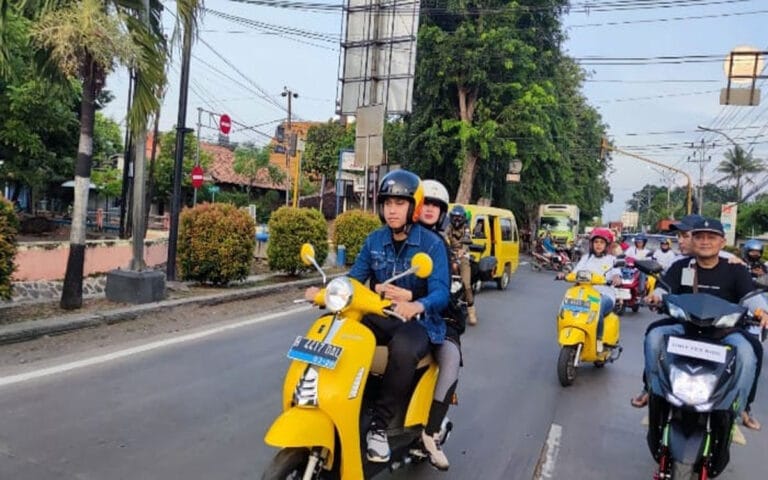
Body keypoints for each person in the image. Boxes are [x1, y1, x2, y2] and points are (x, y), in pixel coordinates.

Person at [305, 170, 450, 462]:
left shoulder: (432, 244)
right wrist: (327, 292)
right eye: (387, 203)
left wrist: (417, 305)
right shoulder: (374, 240)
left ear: (413, 207)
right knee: (333, 327)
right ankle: (325, 398)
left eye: (400, 203)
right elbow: (354, 279)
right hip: (380, 313)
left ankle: (379, 427)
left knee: (404, 348)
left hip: (417, 322)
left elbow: (441, 292)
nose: (392, 210)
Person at [637, 218, 768, 431]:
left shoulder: (736, 269)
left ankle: (742, 407)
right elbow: (664, 289)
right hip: (685, 327)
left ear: (722, 242)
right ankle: (652, 390)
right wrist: (655, 297)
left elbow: (750, 297)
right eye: (699, 237)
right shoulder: (681, 266)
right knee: (654, 335)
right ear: (693, 241)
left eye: (711, 237)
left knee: (750, 351)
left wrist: (762, 312)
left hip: (724, 331)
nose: (705, 242)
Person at [418, 178, 463, 470]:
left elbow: (442, 291)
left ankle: (431, 431)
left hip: (434, 315)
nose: (429, 209)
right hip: (391, 312)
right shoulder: (396, 235)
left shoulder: (440, 246)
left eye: (436, 205)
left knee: (450, 358)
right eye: (425, 203)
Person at [556, 228, 622, 343]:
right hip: (583, 292)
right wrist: (564, 275)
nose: (598, 245)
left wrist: (616, 278)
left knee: (598, 309)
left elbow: (617, 273)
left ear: (607, 245)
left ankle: (598, 339)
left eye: (602, 242)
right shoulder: (585, 258)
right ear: (591, 244)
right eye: (596, 242)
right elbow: (575, 272)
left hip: (603, 294)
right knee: (565, 308)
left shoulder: (612, 260)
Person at [446, 204, 477, 326]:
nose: (457, 220)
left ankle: (471, 310)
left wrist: (462, 250)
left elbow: (467, 241)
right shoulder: (449, 228)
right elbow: (444, 237)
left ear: (463, 218)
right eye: (454, 217)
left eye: (459, 218)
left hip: (463, 257)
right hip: (450, 255)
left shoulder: (466, 228)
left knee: (466, 284)